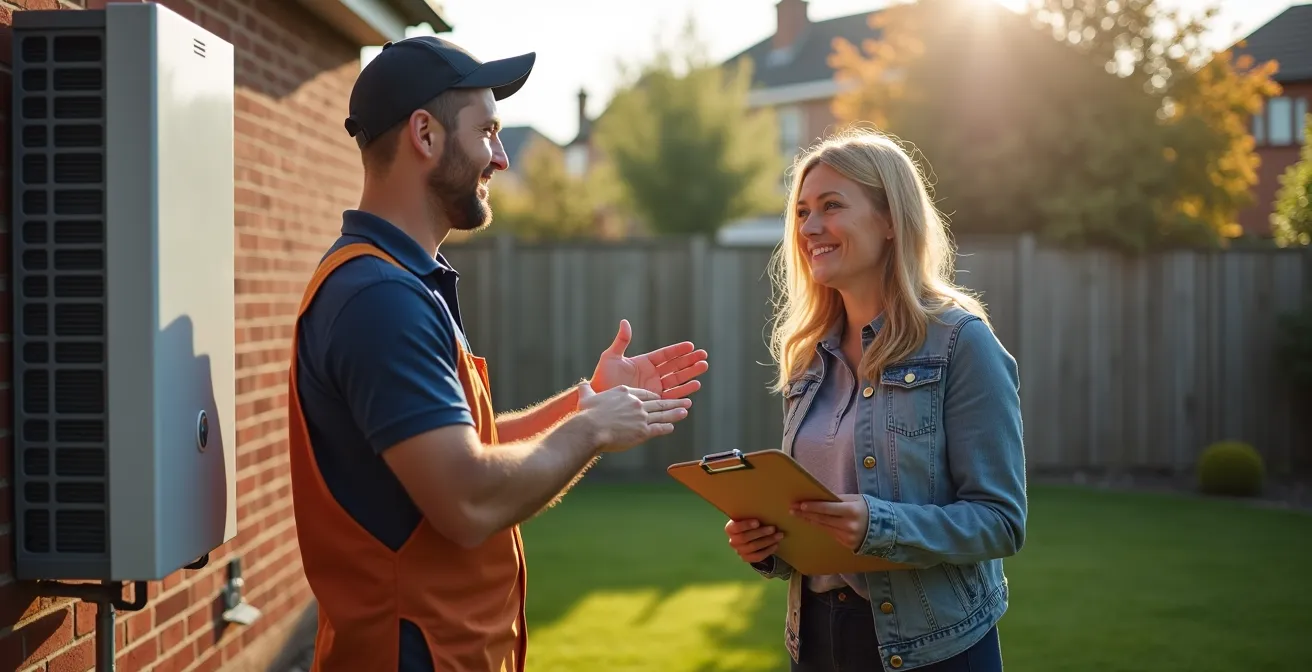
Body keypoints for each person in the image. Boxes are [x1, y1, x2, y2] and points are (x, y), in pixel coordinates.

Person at [286, 36, 709, 672]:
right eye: (487, 131)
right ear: (424, 135)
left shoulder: (397, 283)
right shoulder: (379, 300)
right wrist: (592, 430)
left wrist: (581, 402)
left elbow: (468, 451)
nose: (502, 158)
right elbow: (468, 499)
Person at [723, 128, 1026, 672]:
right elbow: (813, 517)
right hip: (815, 642)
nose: (810, 227)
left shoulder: (962, 343)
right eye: (801, 212)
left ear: (890, 221)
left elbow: (1001, 520)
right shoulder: (807, 356)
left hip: (933, 650)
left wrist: (881, 527)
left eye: (831, 206)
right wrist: (766, 545)